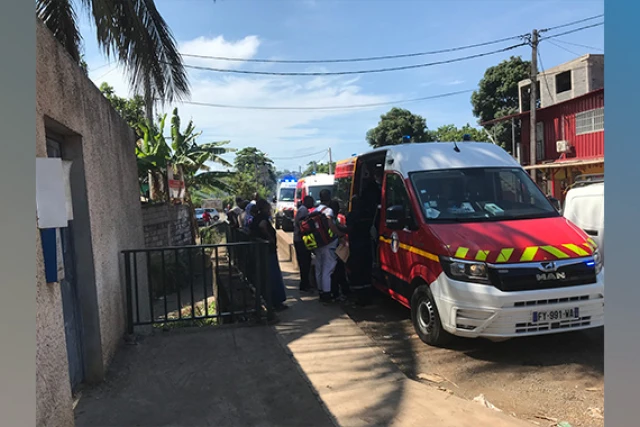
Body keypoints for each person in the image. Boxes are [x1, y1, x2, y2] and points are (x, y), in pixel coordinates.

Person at [250, 199, 288, 311]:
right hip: (268, 251)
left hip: (262, 251)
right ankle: (276, 302)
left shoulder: (256, 217)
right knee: (273, 276)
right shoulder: (262, 217)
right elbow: (262, 226)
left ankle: (270, 301)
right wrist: (269, 238)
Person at [313, 189, 345, 302]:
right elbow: (331, 225)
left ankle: (321, 292)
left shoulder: (315, 210)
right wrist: (340, 234)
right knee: (328, 269)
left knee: (319, 268)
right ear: (329, 198)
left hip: (317, 244)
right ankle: (327, 295)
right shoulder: (328, 211)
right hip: (328, 244)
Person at [294, 195, 314, 292]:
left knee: (305, 262)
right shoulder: (303, 210)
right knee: (305, 262)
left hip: (300, 239)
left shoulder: (303, 209)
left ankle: (305, 283)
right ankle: (304, 284)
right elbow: (302, 224)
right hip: (301, 240)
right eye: (311, 201)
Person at [329, 199, 349, 301]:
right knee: (338, 271)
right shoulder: (332, 220)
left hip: (333, 248)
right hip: (335, 248)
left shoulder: (332, 218)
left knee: (338, 272)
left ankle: (342, 291)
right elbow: (336, 231)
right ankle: (337, 292)